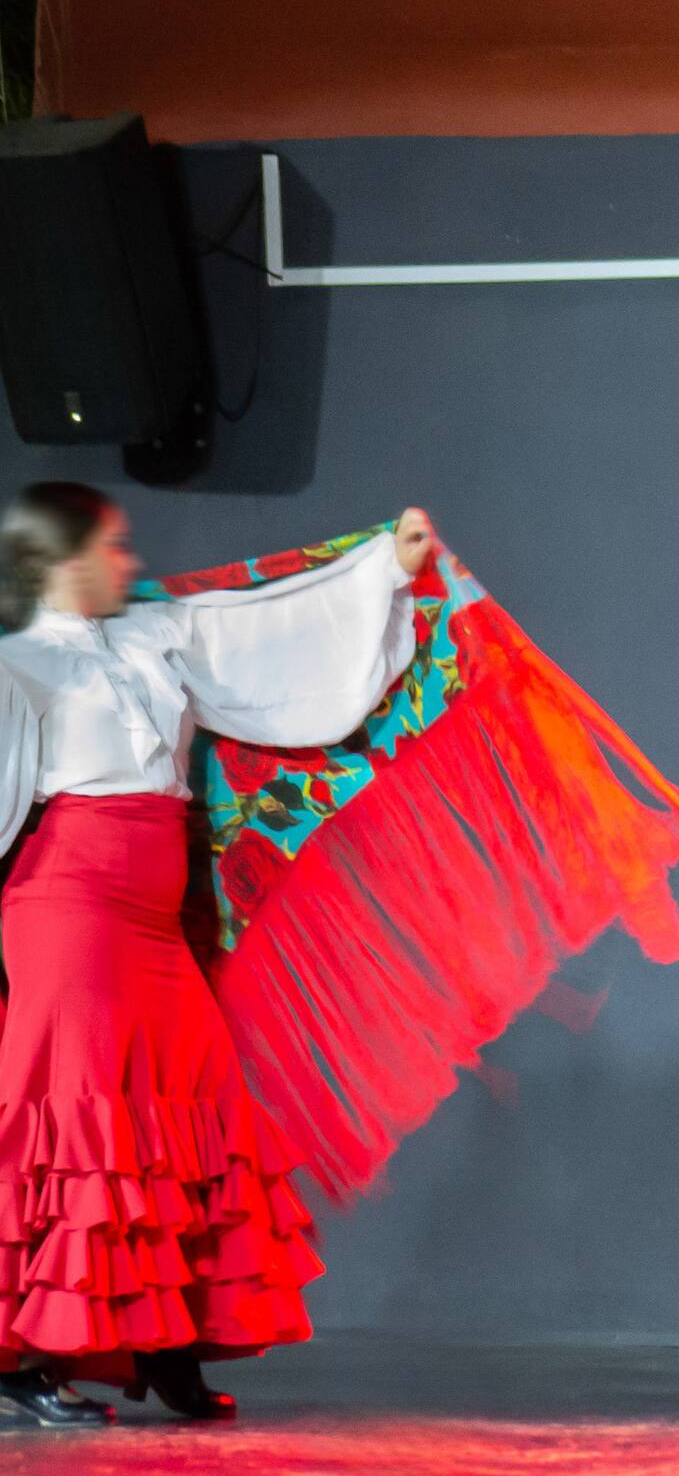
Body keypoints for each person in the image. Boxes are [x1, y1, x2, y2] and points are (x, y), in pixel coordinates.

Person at [0, 483, 435, 1427]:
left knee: (189, 1110)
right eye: (110, 549)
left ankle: (163, 1341)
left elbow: (267, 626)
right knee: (82, 1116)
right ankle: (29, 1354)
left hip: (154, 919)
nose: (130, 562)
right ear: (59, 560)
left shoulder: (153, 637)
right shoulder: (16, 666)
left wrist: (386, 569)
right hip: (68, 906)